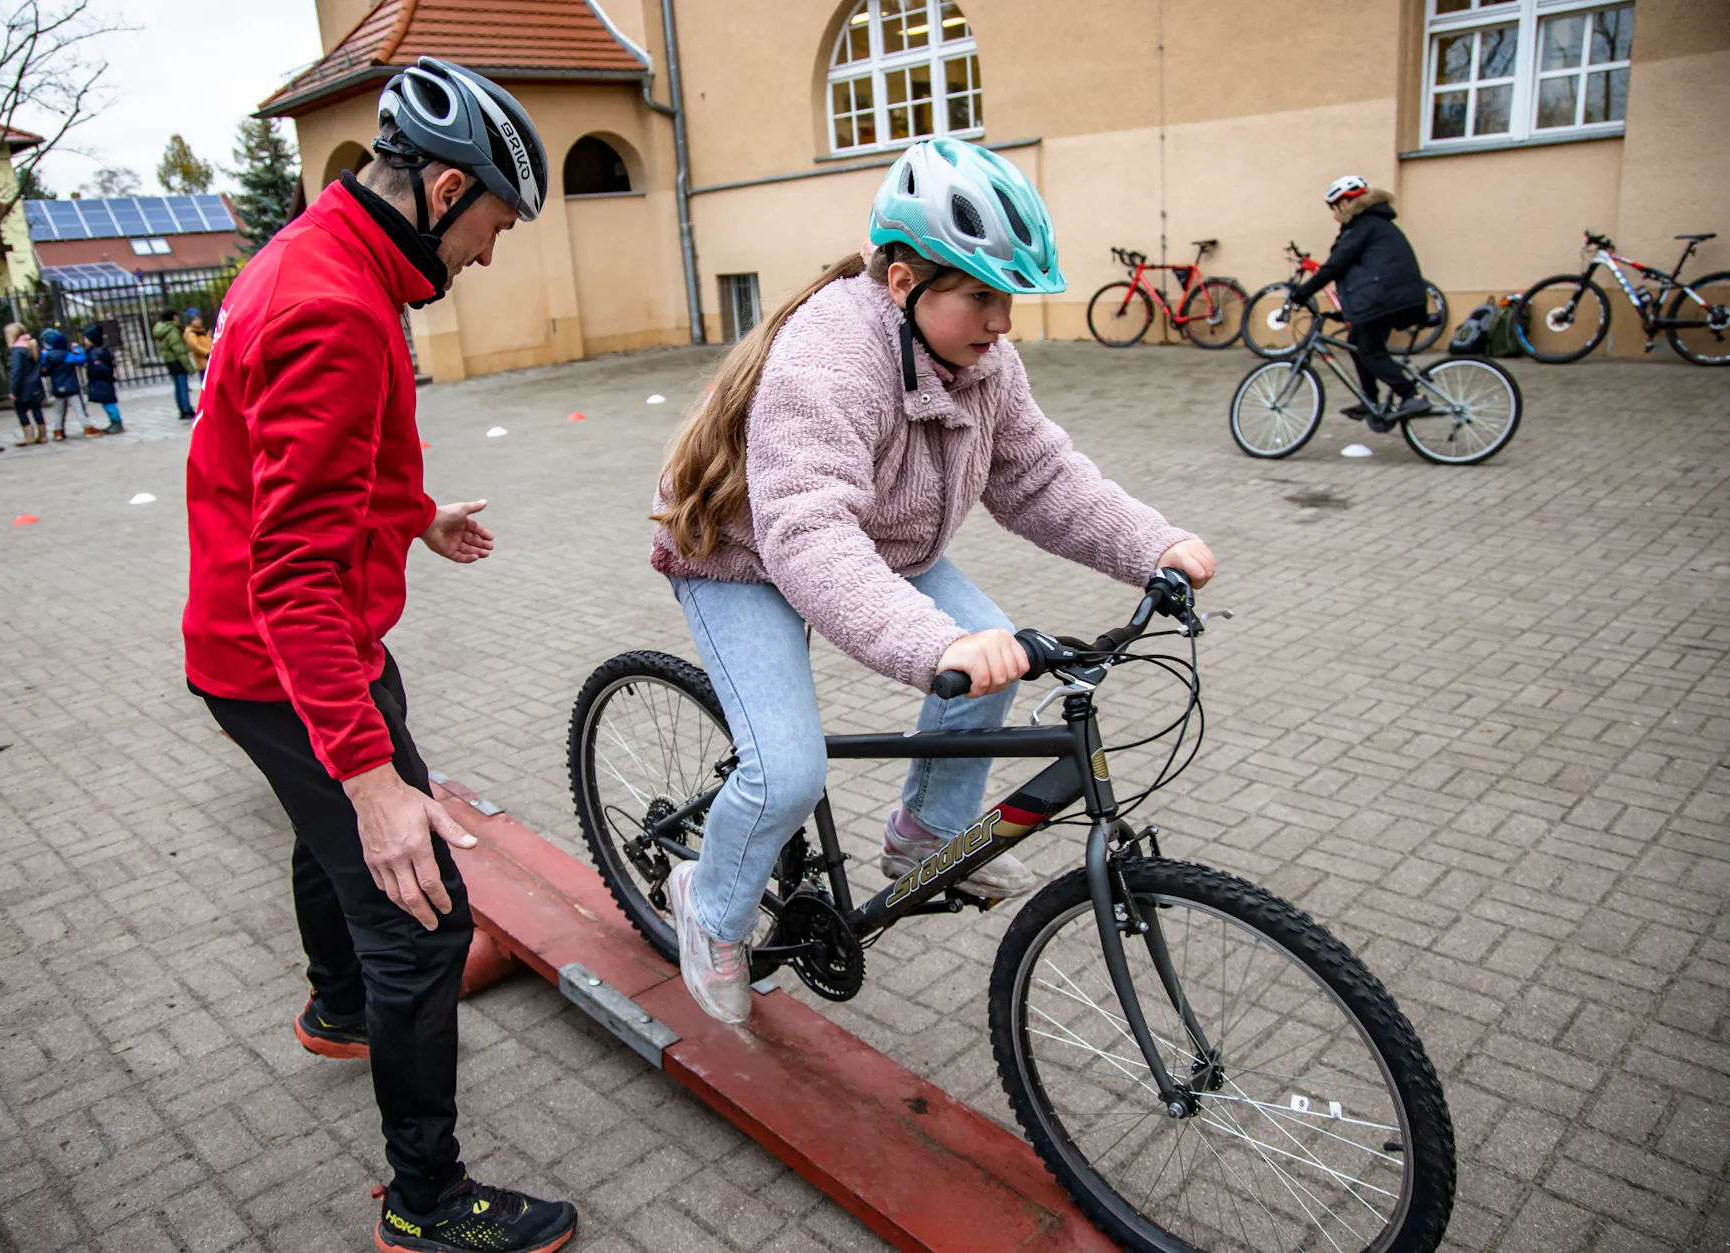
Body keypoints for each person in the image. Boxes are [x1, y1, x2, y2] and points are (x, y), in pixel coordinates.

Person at [649, 137, 1217, 1027]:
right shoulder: (830, 357)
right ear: (906, 282)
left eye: (1011, 299)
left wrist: (1152, 545)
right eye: (984, 298)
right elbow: (807, 536)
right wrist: (933, 642)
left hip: (875, 543)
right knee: (787, 770)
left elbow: (1039, 478)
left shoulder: (984, 361)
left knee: (1000, 662)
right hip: (746, 552)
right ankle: (709, 908)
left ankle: (924, 831)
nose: (1004, 322)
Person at [182, 57, 577, 1253]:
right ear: (446, 186)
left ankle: (337, 1005)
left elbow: (308, 456)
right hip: (287, 655)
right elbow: (291, 569)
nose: (489, 254)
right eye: (494, 226)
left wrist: (411, 510)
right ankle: (427, 1198)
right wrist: (368, 775)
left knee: (342, 843)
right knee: (418, 911)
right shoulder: (335, 307)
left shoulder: (324, 256)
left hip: (261, 648)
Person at [1289, 175, 1432, 432]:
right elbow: (1362, 272)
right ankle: (1371, 400)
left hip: (1388, 298)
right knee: (1356, 343)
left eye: (1334, 208)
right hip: (1390, 296)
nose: (1333, 215)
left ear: (1345, 204)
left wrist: (1301, 293)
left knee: (1369, 350)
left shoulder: (1363, 225)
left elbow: (1335, 266)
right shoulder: (1373, 224)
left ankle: (1412, 395)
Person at [40, 329, 94, 439]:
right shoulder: (68, 356)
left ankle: (58, 431)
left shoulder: (48, 357)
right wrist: (78, 349)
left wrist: (43, 354)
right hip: (71, 388)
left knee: (58, 411)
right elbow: (81, 360)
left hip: (57, 388)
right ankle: (87, 428)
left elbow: (43, 366)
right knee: (79, 409)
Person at [4, 323, 46, 445]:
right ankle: (42, 435)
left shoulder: (17, 350)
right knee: (36, 409)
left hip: (23, 387)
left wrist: (12, 390)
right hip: (36, 384)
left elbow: (16, 372)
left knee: (21, 410)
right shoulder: (33, 346)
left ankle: (29, 436)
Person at [152, 309, 196, 419]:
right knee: (183, 386)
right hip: (178, 360)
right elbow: (178, 349)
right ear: (174, 317)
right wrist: (189, 366)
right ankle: (186, 409)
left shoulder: (162, 329)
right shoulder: (172, 330)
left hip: (170, 360)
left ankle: (182, 408)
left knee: (178, 385)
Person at [82, 325, 122, 434]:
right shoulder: (99, 350)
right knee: (107, 402)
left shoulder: (95, 352)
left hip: (102, 381)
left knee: (109, 403)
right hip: (103, 381)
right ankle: (114, 422)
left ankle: (116, 423)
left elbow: (100, 367)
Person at [182, 309, 213, 381]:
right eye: (194, 319)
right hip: (203, 362)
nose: (198, 321)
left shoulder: (201, 330)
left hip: (209, 360)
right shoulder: (191, 333)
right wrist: (207, 353)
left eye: (198, 318)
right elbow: (196, 346)